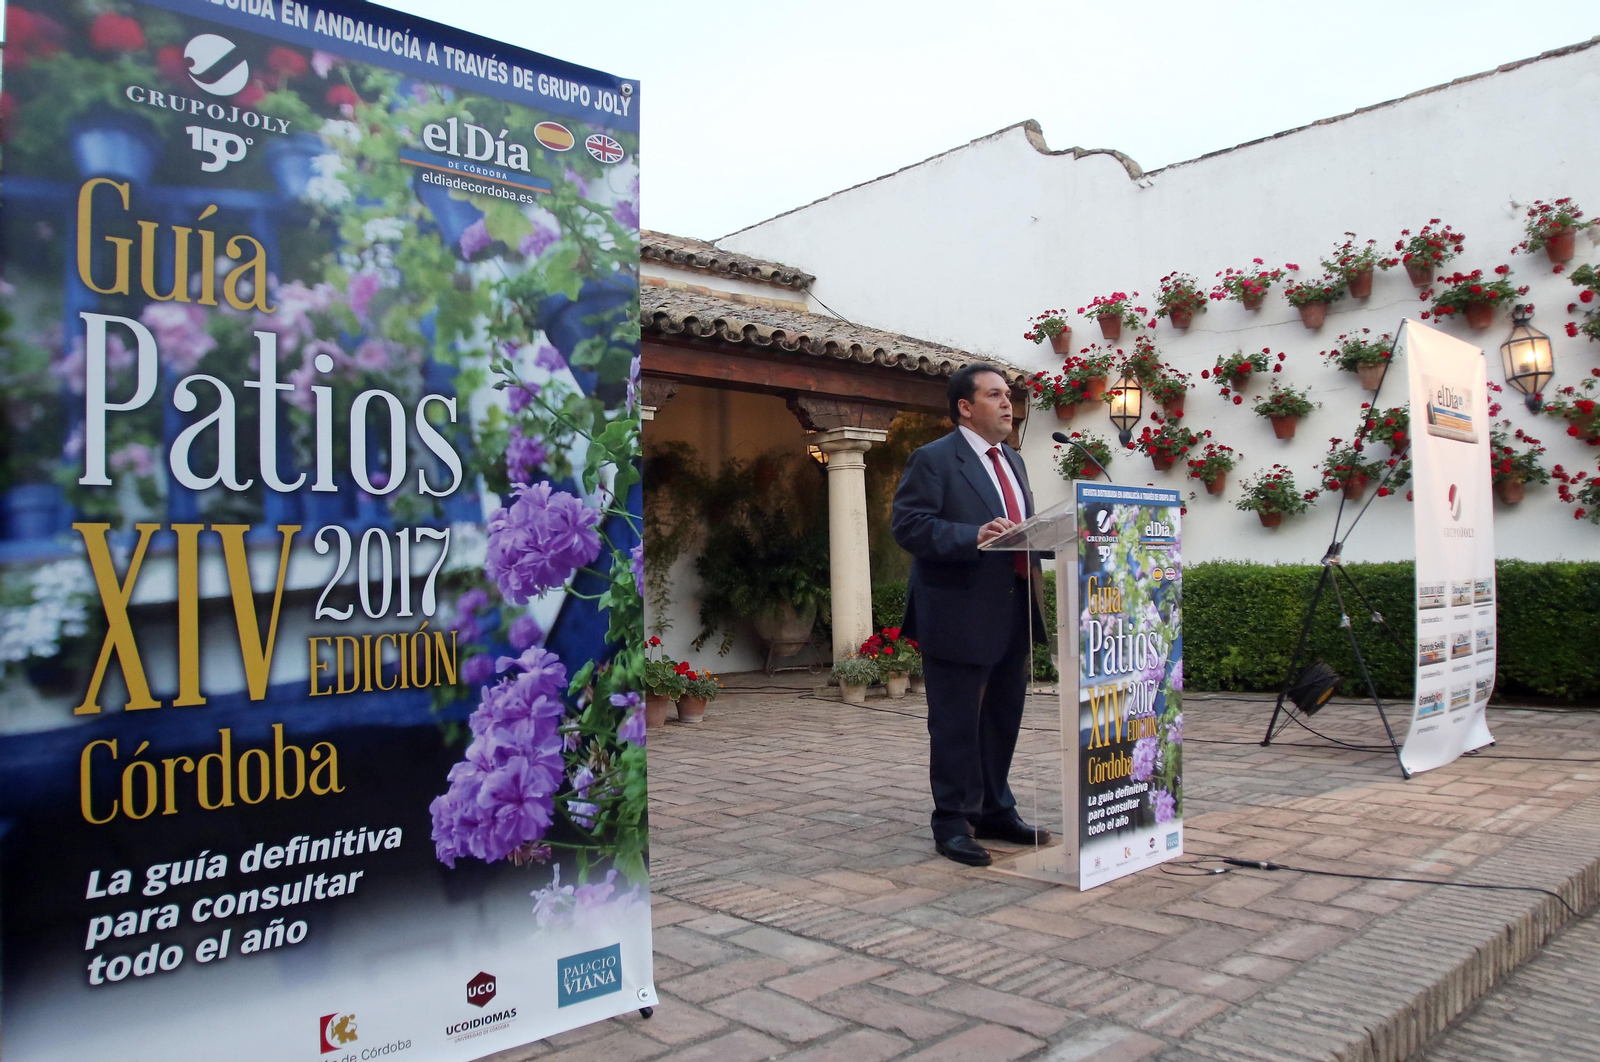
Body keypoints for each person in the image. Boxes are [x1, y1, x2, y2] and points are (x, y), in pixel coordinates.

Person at [890, 363, 1050, 867]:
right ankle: (954, 821)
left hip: (1014, 609)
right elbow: (910, 526)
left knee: (1003, 717)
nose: (1009, 403)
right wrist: (971, 536)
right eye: (996, 395)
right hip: (958, 611)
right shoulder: (934, 459)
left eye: (1010, 395)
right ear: (965, 406)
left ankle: (996, 809)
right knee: (958, 722)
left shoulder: (1014, 461)